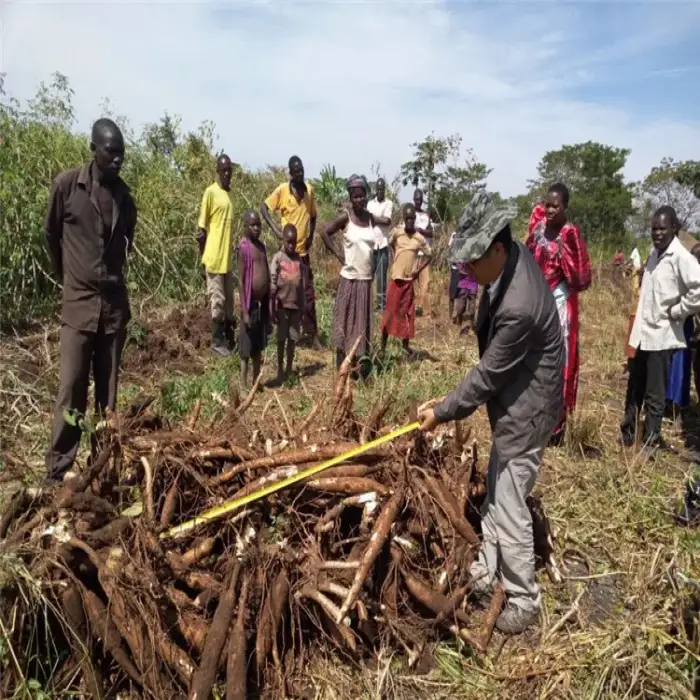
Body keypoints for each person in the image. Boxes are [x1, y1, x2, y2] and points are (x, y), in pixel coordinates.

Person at [418, 192, 564, 635]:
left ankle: (522, 598)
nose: (466, 268)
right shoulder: (508, 261)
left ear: (497, 249)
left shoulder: (517, 304)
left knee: (510, 500)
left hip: (529, 405)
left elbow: (487, 376)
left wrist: (443, 411)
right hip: (517, 398)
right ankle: (487, 569)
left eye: (473, 259)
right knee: (499, 485)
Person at [43, 118, 137, 484]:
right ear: (93, 149)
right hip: (79, 307)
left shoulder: (125, 198)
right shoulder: (67, 187)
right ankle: (57, 472)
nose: (117, 160)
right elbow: (51, 234)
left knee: (108, 396)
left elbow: (127, 241)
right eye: (110, 152)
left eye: (121, 154)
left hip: (113, 311)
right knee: (71, 389)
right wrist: (67, 277)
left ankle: (103, 471)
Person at [620, 206, 700, 452]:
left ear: (674, 229)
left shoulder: (681, 258)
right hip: (645, 333)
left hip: (663, 335)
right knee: (635, 387)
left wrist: (678, 311)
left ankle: (650, 443)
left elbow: (698, 290)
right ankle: (627, 436)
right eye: (654, 229)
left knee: (655, 395)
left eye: (662, 229)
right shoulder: (655, 254)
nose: (657, 233)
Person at [526, 183, 591, 444]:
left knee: (557, 363)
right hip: (537, 304)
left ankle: (555, 426)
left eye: (556, 206)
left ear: (565, 207)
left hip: (561, 306)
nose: (551, 209)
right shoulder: (538, 230)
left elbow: (581, 277)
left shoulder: (569, 234)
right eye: (548, 205)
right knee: (533, 362)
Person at [261, 156, 323, 351]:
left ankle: (312, 335)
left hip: (303, 253)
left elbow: (313, 216)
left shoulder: (309, 192)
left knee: (308, 295)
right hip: (287, 256)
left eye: (302, 170)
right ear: (290, 173)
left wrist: (312, 236)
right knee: (285, 295)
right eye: (296, 172)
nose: (300, 174)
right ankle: (284, 335)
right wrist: (275, 230)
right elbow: (264, 208)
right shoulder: (282, 191)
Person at [322, 175, 376, 374]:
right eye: (355, 197)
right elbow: (325, 232)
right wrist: (338, 254)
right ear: (350, 197)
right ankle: (340, 368)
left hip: (365, 281)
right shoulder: (346, 217)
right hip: (349, 280)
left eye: (362, 196)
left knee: (362, 326)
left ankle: (361, 370)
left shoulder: (370, 218)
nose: (359, 200)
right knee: (344, 323)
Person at [380, 203, 430, 356]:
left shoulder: (419, 238)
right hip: (396, 280)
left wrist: (417, 270)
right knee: (389, 313)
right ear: (403, 218)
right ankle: (382, 347)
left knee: (408, 314)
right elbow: (389, 244)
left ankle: (405, 346)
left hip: (409, 282)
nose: (409, 221)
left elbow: (429, 255)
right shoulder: (397, 233)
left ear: (415, 219)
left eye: (412, 219)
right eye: (407, 218)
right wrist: (395, 256)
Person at [197, 154, 236, 356]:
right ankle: (217, 343)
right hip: (213, 259)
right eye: (224, 170)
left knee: (229, 302)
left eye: (230, 169)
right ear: (218, 171)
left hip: (226, 261)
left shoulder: (227, 195)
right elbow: (201, 232)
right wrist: (203, 260)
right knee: (218, 302)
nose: (228, 173)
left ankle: (230, 341)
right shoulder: (210, 193)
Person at [237, 210, 271, 390]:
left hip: (261, 303)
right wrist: (244, 311)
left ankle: (256, 382)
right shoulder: (244, 248)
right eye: (253, 225)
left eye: (259, 224)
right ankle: (242, 385)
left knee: (258, 345)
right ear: (245, 226)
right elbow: (241, 282)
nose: (257, 228)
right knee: (245, 347)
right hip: (249, 305)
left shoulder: (262, 246)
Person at [270, 224, 304, 384]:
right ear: (283, 240)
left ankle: (289, 370)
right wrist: (272, 308)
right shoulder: (278, 258)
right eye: (288, 242)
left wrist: (303, 308)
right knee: (281, 340)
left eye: (294, 242)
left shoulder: (298, 259)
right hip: (282, 307)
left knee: (292, 340)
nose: (291, 245)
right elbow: (272, 284)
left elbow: (301, 285)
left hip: (295, 309)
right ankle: (280, 371)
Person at [367, 178, 393, 312]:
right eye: (378, 189)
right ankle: (367, 303)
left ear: (385, 189)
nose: (380, 191)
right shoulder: (370, 204)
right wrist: (378, 219)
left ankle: (381, 306)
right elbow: (367, 220)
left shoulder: (389, 203)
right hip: (371, 245)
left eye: (382, 189)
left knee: (381, 278)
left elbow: (387, 221)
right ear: (375, 190)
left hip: (382, 245)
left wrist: (373, 218)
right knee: (368, 275)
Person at [413, 188, 434, 316]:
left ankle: (425, 313)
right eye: (416, 199)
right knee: (410, 284)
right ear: (413, 200)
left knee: (425, 286)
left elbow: (431, 233)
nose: (418, 202)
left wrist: (420, 230)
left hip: (425, 256)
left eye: (420, 199)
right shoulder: (410, 213)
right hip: (413, 255)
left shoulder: (426, 216)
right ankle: (412, 310)